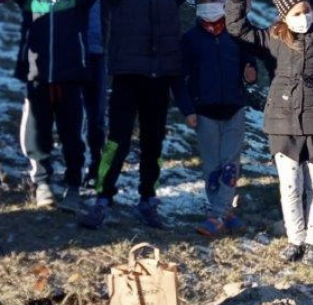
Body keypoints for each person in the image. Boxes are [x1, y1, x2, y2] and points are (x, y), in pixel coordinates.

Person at [225, 0, 313, 266]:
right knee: (290, 186)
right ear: (284, 16)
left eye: (308, 10)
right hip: (282, 123)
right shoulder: (271, 39)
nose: (305, 17)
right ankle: (295, 240)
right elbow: (236, 28)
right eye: (298, 13)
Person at [80, 0, 185, 230]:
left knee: (153, 141)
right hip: (126, 70)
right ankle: (102, 197)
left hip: (161, 71)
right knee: (117, 140)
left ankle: (148, 198)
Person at [177, 0, 258, 236]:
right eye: (204, 2)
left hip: (234, 107)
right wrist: (187, 110)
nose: (210, 6)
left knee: (230, 163)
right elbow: (180, 78)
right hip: (204, 111)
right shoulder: (190, 39)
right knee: (213, 165)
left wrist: (250, 72)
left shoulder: (236, 32)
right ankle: (224, 211)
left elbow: (249, 64)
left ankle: (218, 215)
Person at [10, 0, 94, 210]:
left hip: (71, 71)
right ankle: (42, 182)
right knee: (36, 129)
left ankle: (73, 185)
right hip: (36, 71)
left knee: (72, 132)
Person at [82, 0, 108, 189]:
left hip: (101, 55)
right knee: (72, 115)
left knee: (96, 115)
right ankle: (74, 168)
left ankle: (96, 164)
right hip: (74, 52)